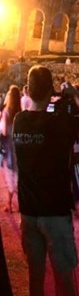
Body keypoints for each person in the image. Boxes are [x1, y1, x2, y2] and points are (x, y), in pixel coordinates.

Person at [12, 66, 79, 296]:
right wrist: (74, 95)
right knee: (64, 278)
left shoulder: (19, 121)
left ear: (27, 90)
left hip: (28, 212)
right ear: (51, 91)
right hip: (55, 213)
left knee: (35, 277)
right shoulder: (59, 124)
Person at [0, 85, 21, 213]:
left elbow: (3, 131)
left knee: (9, 175)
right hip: (18, 146)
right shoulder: (20, 112)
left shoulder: (6, 112)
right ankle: (16, 202)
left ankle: (9, 203)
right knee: (18, 174)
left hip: (8, 146)